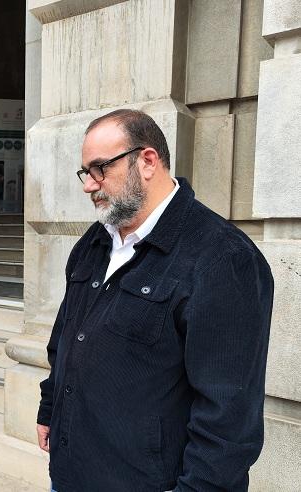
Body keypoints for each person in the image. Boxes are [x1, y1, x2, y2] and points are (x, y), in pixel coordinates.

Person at [36, 109, 273, 491]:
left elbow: (229, 416)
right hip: (70, 473)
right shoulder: (92, 245)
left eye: (100, 169)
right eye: (85, 172)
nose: (88, 185)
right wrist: (50, 408)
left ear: (147, 161)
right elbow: (65, 338)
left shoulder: (222, 259)